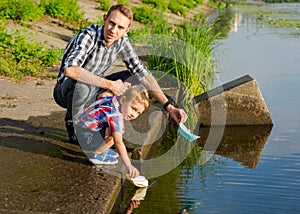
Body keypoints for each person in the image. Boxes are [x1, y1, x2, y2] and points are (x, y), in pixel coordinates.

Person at [53, 4, 187, 144]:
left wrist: (169, 106)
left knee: (135, 78)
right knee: (83, 87)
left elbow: (141, 72)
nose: (113, 30)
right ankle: (75, 126)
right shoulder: (89, 35)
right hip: (68, 89)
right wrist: (110, 85)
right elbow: (70, 70)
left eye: (120, 27)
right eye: (111, 23)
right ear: (105, 19)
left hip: (95, 87)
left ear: (127, 30)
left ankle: (109, 121)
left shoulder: (122, 40)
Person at [77, 85, 149, 178]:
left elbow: (102, 95)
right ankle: (96, 154)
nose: (134, 114)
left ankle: (102, 148)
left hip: (80, 129)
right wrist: (129, 165)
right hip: (86, 138)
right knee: (117, 133)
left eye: (138, 113)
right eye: (133, 108)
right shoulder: (115, 115)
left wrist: (116, 88)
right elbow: (118, 142)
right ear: (123, 100)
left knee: (112, 128)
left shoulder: (111, 99)